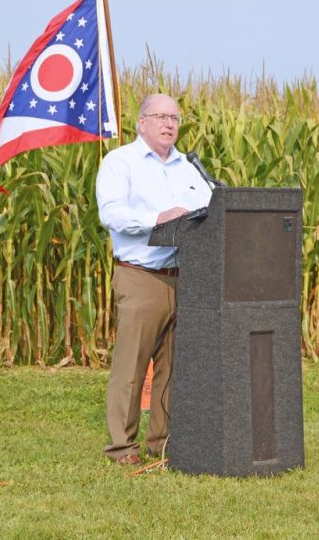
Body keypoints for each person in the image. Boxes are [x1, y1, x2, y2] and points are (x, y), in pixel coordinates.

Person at [96, 94, 213, 465]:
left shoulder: (189, 167)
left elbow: (212, 207)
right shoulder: (120, 163)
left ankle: (162, 443)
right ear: (141, 122)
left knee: (175, 368)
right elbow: (112, 214)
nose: (169, 124)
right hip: (141, 276)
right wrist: (158, 218)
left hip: (186, 277)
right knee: (132, 366)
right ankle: (122, 448)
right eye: (160, 116)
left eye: (175, 117)